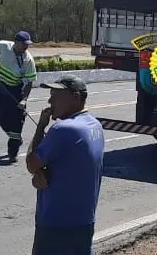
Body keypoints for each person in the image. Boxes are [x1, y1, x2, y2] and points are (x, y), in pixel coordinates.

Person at [26, 76, 105, 255]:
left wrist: (41, 126)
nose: (50, 101)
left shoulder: (63, 129)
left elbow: (31, 163)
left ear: (75, 97)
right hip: (84, 221)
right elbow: (73, 165)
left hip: (56, 224)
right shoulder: (95, 125)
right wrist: (42, 172)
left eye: (55, 96)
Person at [0, 30, 38, 161]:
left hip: (18, 91)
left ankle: (13, 151)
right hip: (3, 88)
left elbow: (29, 83)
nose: (26, 47)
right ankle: (16, 139)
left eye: (28, 44)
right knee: (2, 118)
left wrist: (24, 100)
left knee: (16, 123)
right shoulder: (3, 46)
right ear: (16, 42)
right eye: (24, 44)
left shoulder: (28, 60)